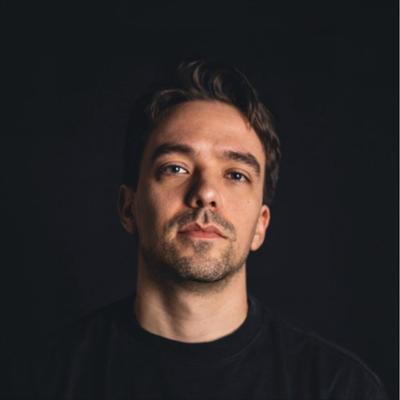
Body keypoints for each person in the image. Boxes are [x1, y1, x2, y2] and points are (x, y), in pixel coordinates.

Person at [13, 60, 387, 399]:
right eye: (175, 168)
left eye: (236, 175)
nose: (206, 192)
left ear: (260, 225)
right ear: (129, 208)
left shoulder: (340, 389)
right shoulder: (43, 381)